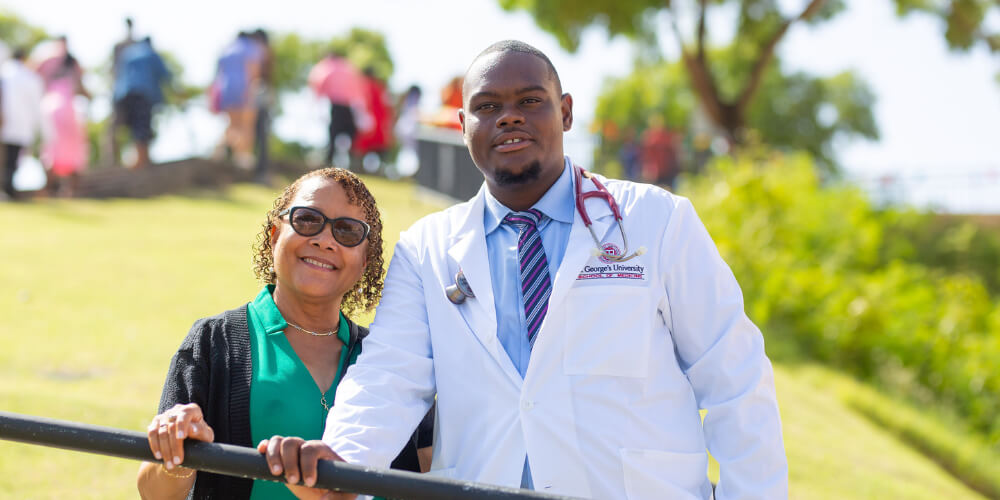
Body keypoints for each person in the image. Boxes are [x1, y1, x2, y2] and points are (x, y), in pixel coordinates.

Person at [264, 40, 787, 499]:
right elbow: (389, 377)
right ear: (463, 125)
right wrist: (344, 459)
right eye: (486, 107)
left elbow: (735, 380)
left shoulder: (656, 220)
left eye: (529, 101)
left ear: (565, 112)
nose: (508, 117)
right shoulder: (428, 248)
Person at [136, 168, 428, 499]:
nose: (324, 240)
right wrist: (177, 456)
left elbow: (428, 473)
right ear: (275, 235)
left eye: (347, 231)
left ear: (364, 262)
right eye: (307, 219)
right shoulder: (214, 340)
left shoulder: (394, 357)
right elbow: (153, 493)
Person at [38, 44, 89, 197]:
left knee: (51, 151)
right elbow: (83, 91)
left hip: (52, 111)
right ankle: (70, 191)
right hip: (70, 112)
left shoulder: (49, 65)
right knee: (74, 152)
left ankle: (49, 189)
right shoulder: (73, 72)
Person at [112, 36, 170, 169]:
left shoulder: (128, 53)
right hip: (143, 93)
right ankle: (142, 161)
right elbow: (165, 74)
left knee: (133, 127)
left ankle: (140, 159)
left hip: (124, 94)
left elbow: (119, 74)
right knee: (142, 126)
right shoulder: (150, 53)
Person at [307, 50, 365, 168]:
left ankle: (331, 158)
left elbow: (317, 82)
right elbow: (358, 86)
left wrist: (316, 102)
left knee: (334, 133)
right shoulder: (348, 67)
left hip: (335, 105)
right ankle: (345, 157)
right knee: (349, 132)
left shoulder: (326, 67)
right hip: (348, 105)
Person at [213, 32, 262, 169]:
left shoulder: (227, 50)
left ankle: (221, 150)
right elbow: (253, 70)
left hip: (226, 89)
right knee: (246, 124)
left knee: (233, 123)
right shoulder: (251, 48)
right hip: (243, 88)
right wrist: (251, 91)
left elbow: (218, 74)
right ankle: (242, 156)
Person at [1, 47, 44, 200]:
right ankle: (8, 190)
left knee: (8, 159)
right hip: (20, 125)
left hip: (8, 124)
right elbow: (36, 104)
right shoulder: (30, 77)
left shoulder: (5, 73)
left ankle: (8, 190)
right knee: (12, 160)